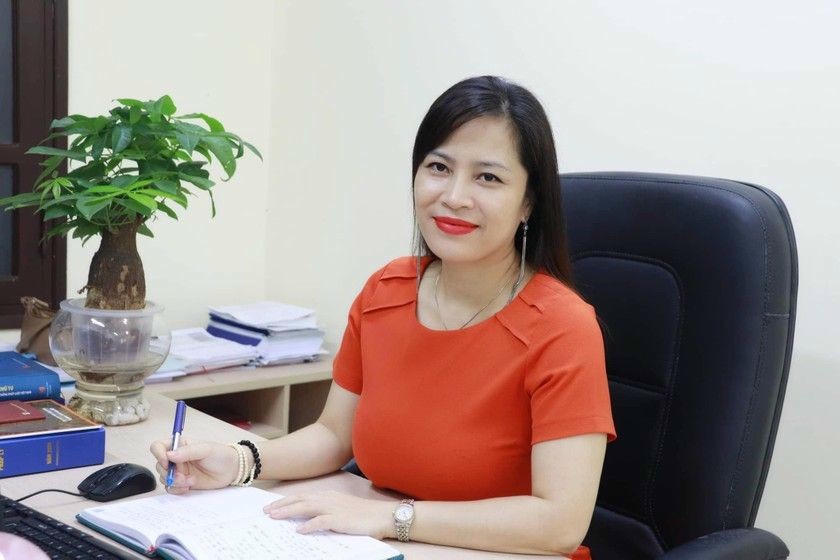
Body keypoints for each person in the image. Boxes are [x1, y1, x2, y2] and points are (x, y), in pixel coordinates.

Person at [151, 75, 616, 559]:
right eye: (439, 167)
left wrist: (393, 519)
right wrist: (238, 461)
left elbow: (560, 522)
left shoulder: (562, 328)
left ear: (529, 202)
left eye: (488, 178)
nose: (454, 196)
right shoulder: (386, 291)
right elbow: (334, 435)